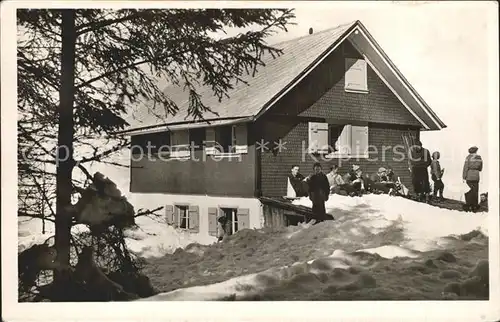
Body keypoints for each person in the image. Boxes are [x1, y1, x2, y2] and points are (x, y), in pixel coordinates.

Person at [462, 146, 483, 212]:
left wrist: (464, 177)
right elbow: (480, 168)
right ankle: (475, 206)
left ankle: (468, 205)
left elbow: (465, 167)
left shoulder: (468, 157)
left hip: (469, 176)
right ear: (476, 151)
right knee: (475, 191)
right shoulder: (479, 157)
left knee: (468, 191)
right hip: (476, 176)